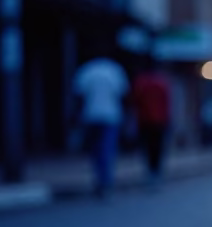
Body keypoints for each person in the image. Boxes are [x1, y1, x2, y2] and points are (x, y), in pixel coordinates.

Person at [73, 53, 129, 197]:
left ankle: (100, 179)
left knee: (96, 151)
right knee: (107, 150)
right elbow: (122, 93)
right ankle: (106, 181)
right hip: (111, 116)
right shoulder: (114, 70)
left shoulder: (87, 70)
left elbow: (79, 95)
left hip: (91, 115)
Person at [131, 65, 172, 186]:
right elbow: (167, 102)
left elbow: (135, 100)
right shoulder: (162, 83)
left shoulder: (141, 83)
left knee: (148, 147)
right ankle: (156, 172)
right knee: (157, 148)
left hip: (145, 120)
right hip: (159, 120)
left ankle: (150, 171)